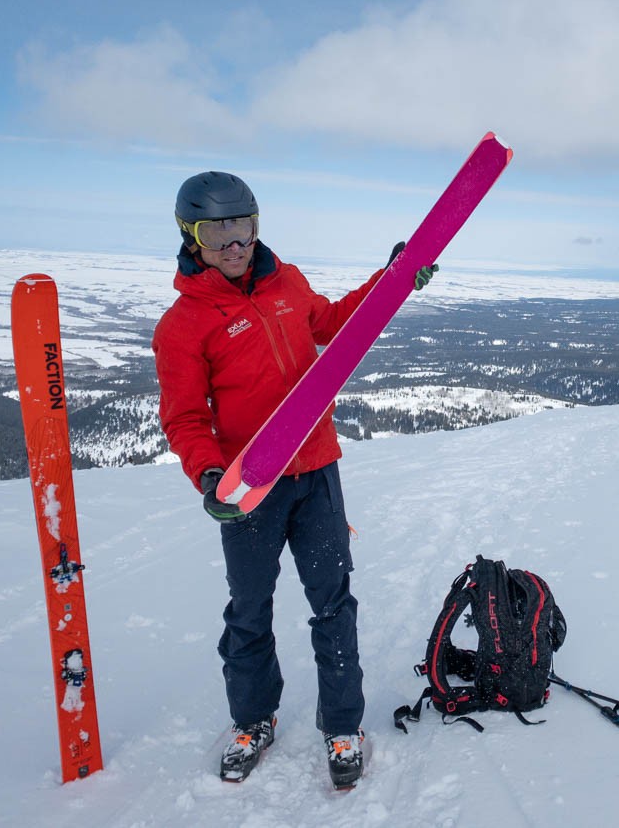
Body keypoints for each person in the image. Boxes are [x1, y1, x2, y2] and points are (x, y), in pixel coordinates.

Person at [152, 170, 434, 787]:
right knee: (250, 609)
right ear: (190, 236)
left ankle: (343, 725)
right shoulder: (183, 325)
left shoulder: (288, 281)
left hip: (317, 472)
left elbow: (332, 326)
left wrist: (390, 282)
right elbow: (185, 417)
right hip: (250, 488)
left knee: (333, 603)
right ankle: (253, 720)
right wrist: (208, 474)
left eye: (244, 227)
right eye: (217, 232)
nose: (235, 244)